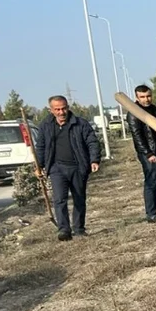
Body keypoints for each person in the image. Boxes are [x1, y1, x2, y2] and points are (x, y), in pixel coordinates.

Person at [33, 96, 100, 241]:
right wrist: (39, 166)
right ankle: (64, 230)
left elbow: (92, 142)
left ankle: (79, 228)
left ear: (68, 107)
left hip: (78, 166)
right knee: (59, 199)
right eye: (57, 109)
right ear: (51, 110)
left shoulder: (80, 123)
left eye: (63, 108)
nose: (61, 112)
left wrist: (94, 160)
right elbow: (41, 147)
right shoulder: (45, 125)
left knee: (79, 198)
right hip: (56, 168)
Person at [128, 84, 156, 222]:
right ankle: (151, 213)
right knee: (151, 181)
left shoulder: (153, 109)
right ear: (137, 97)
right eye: (142, 97)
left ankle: (155, 211)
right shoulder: (134, 112)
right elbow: (137, 135)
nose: (146, 99)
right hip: (148, 153)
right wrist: (147, 153)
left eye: (148, 96)